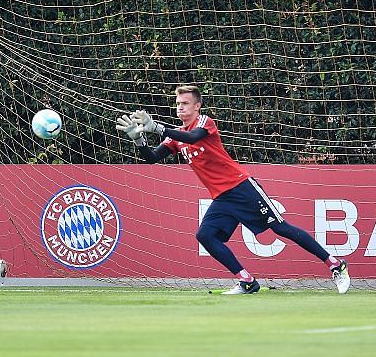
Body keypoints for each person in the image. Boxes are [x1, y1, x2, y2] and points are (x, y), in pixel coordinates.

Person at [116, 85, 350, 294]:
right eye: (178, 104)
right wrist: (138, 140)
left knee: (281, 228)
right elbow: (153, 159)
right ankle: (247, 281)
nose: (180, 108)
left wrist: (157, 127)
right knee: (205, 235)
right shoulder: (176, 137)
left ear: (197, 106)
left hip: (241, 187)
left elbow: (194, 138)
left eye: (185, 103)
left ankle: (335, 265)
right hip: (222, 198)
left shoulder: (204, 123)